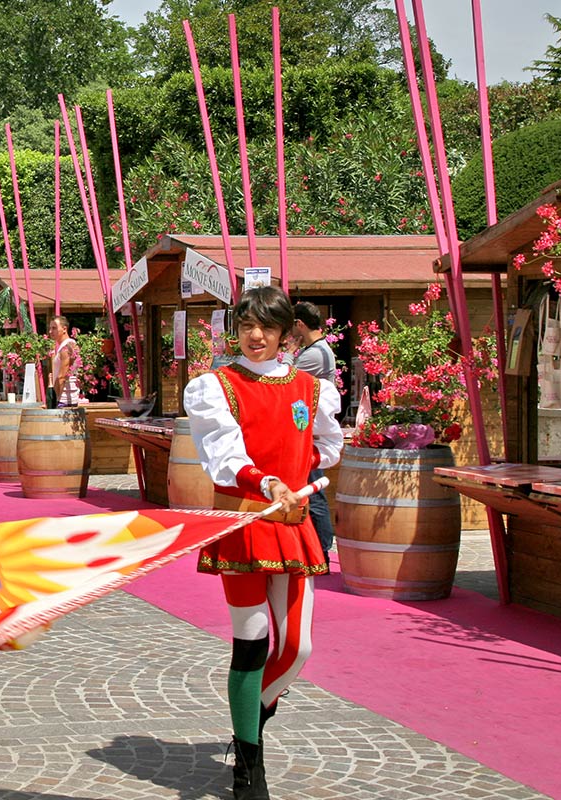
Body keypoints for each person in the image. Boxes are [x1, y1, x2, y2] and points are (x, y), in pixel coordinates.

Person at [181, 286, 341, 800]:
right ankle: (250, 767)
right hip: (245, 523)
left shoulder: (311, 389)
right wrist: (268, 482)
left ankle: (248, 720)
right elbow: (224, 455)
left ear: (285, 333)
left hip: (293, 524)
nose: (256, 336)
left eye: (267, 327)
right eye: (247, 325)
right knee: (250, 646)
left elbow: (326, 448)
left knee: (297, 647)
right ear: (236, 329)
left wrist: (302, 472)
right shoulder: (217, 386)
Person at [291, 301, 340, 556]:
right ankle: (320, 546)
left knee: (314, 488)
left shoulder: (314, 354)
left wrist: (288, 351)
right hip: (310, 426)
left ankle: (321, 547)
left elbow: (286, 380)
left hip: (309, 429)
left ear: (299, 324)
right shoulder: (319, 349)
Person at [47, 316, 81, 408]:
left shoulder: (67, 347)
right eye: (50, 328)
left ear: (64, 329)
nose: (50, 331)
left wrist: (56, 399)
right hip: (67, 398)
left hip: (64, 399)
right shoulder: (66, 346)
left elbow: (62, 376)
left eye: (54, 328)